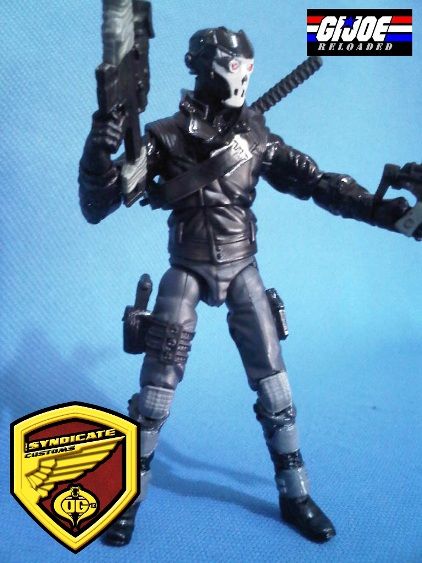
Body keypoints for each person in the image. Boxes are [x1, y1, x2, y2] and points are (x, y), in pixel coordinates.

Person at [79, 27, 420, 546]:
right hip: (187, 268)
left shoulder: (257, 137)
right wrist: (98, 148)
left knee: (275, 386)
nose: (243, 74)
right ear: (208, 68)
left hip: (242, 267)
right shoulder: (164, 137)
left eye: (246, 64)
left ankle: (295, 494)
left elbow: (319, 183)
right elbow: (98, 204)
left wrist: (390, 213)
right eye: (235, 64)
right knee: (155, 392)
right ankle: (129, 496)